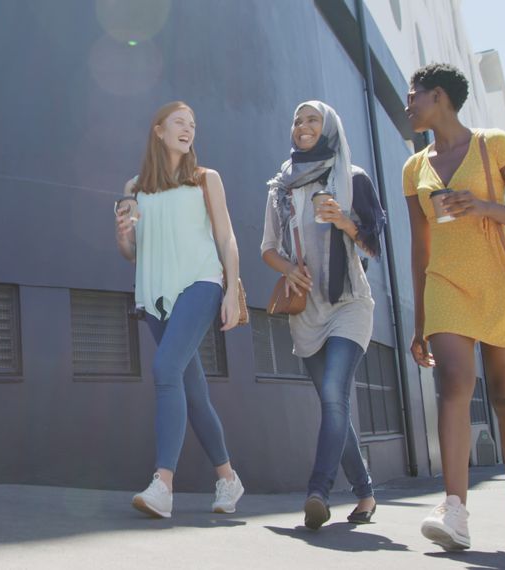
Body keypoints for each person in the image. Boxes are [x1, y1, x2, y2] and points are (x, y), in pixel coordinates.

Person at [402, 63, 505, 550]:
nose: (408, 105)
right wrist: (420, 320)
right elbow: (419, 246)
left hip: (498, 282)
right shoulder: (413, 167)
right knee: (454, 385)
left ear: (439, 96)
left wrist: (484, 206)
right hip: (445, 284)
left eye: (413, 96)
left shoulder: (493, 144)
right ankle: (455, 509)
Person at [114, 101, 244, 519]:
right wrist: (122, 237)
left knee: (165, 370)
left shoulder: (207, 179)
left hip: (201, 284)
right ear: (158, 130)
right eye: (179, 122)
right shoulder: (135, 188)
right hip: (155, 295)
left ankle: (162, 485)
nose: (188, 129)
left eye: (192, 124)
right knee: (193, 392)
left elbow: (226, 238)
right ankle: (227, 477)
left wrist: (229, 290)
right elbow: (133, 253)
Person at [261, 100, 386, 530]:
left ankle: (317, 491)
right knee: (335, 407)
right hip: (307, 311)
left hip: (349, 304)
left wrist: (346, 222)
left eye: (312, 119)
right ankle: (366, 494)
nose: (303, 125)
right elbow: (268, 249)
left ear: (329, 126)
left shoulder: (351, 178)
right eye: (297, 120)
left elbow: (374, 245)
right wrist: (289, 268)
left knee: (335, 395)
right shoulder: (281, 185)